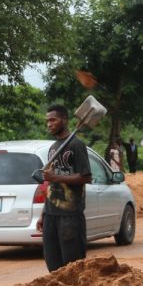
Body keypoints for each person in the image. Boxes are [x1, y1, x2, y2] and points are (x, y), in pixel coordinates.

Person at [37, 104, 92, 272]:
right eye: (47, 121)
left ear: (65, 120)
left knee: (73, 268)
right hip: (51, 216)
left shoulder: (76, 145)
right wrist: (43, 214)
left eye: (53, 120)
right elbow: (51, 185)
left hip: (70, 217)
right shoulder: (53, 147)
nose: (49, 124)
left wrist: (56, 177)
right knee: (53, 266)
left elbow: (86, 177)